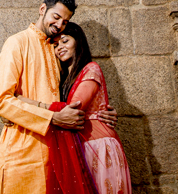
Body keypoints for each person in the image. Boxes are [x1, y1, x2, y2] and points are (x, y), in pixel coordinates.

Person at [0, 0, 117, 194]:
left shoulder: (56, 50)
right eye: (56, 17)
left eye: (65, 22)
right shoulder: (17, 43)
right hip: (23, 151)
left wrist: (100, 115)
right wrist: (52, 118)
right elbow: (3, 102)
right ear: (43, 9)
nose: (59, 25)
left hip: (57, 153)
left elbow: (74, 94)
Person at [49, 22, 132, 194]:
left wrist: (31, 105)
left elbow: (75, 107)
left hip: (99, 148)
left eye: (65, 41)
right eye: (56, 45)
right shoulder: (63, 79)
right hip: (80, 147)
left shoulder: (91, 69)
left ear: (78, 41)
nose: (59, 48)